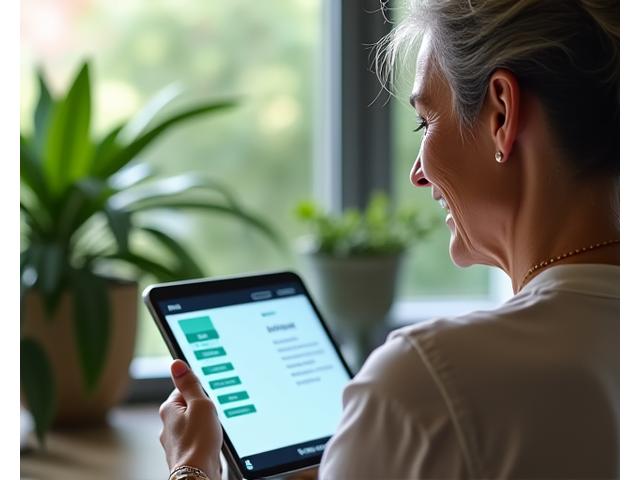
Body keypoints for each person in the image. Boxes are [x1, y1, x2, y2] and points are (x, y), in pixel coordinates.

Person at [159, 0, 620, 478]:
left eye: (427, 121)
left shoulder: (429, 385)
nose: (417, 173)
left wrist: (191, 467)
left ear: (501, 114)